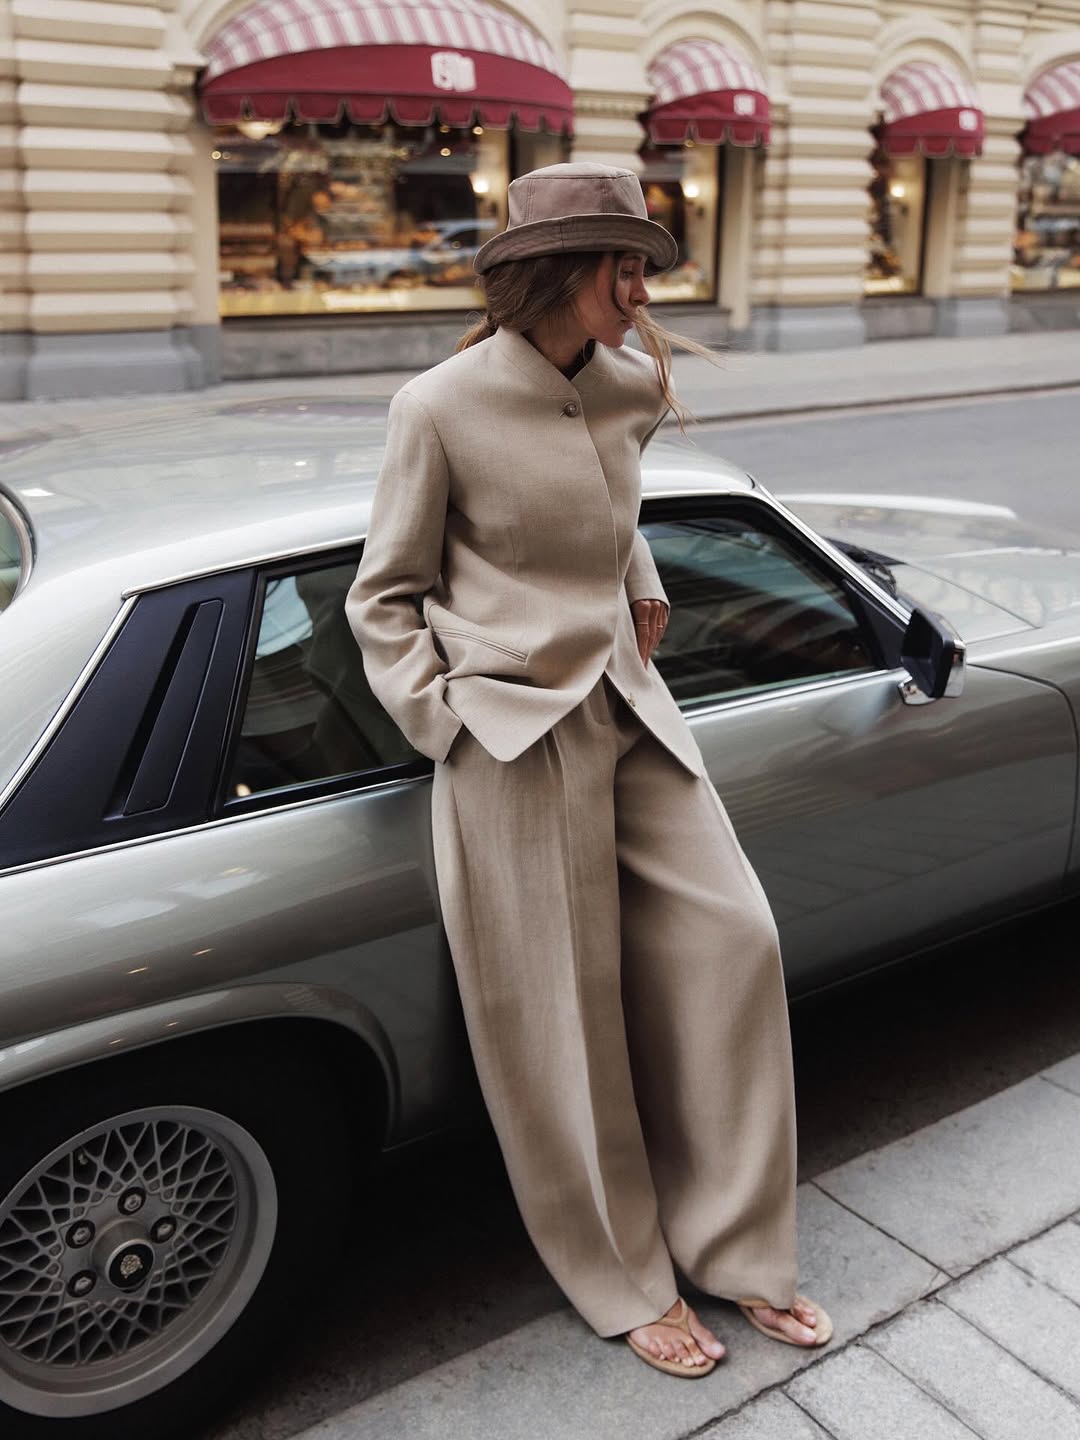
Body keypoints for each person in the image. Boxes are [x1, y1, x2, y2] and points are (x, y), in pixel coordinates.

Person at [345, 162, 832, 1378]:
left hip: (630, 706)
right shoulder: (438, 407)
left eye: (644, 266)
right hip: (511, 732)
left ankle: (738, 1247)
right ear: (558, 273)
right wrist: (444, 719)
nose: (644, 290)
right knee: (561, 1016)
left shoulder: (625, 386)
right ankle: (625, 1278)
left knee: (734, 943)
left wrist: (641, 579)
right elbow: (384, 595)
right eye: (624, 268)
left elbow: (612, 516)